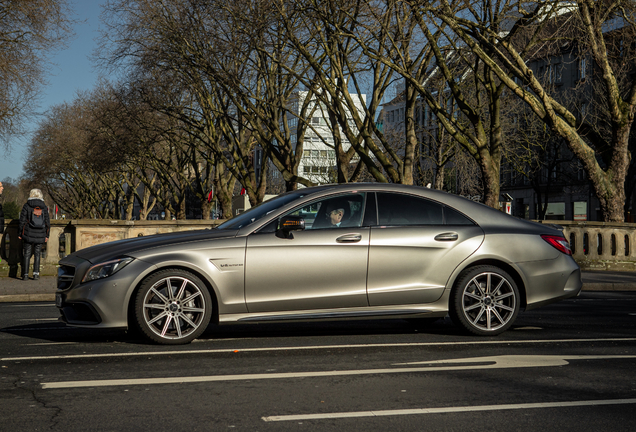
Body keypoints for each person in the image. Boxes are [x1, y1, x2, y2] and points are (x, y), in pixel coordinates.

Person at [18, 188, 50, 281]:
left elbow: (22, 221)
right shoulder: (44, 206)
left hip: (28, 233)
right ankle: (36, 274)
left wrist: (20, 233)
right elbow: (47, 222)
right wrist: (47, 235)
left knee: (27, 253)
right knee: (37, 254)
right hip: (41, 233)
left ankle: (25, 274)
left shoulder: (27, 205)